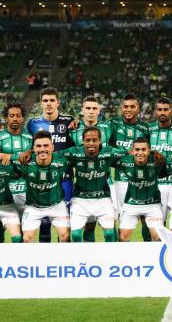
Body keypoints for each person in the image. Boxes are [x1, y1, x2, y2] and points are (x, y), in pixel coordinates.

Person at [26, 87, 75, 242]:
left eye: (52, 100)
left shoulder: (69, 122)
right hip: (40, 179)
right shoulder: (32, 124)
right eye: (45, 100)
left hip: (64, 178)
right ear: (41, 103)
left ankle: (62, 260)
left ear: (57, 103)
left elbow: (75, 147)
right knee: (44, 223)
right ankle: (43, 260)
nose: (48, 103)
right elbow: (29, 148)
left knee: (64, 224)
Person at [61, 127, 126, 242]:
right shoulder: (73, 152)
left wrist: (152, 152)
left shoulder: (109, 153)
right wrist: (30, 152)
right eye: (88, 140)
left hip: (103, 199)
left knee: (110, 233)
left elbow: (131, 152)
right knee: (75, 235)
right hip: (80, 200)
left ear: (100, 141)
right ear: (83, 141)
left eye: (94, 140)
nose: (91, 143)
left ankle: (111, 259)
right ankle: (80, 259)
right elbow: (50, 153)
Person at [106, 93, 151, 240]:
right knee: (123, 219)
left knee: (146, 219)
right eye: (125, 106)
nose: (128, 109)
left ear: (138, 108)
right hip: (121, 180)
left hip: (142, 180)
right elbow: (106, 146)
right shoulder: (113, 124)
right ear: (121, 108)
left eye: (132, 106)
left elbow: (149, 152)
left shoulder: (145, 128)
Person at [14, 131, 71, 243]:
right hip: (33, 207)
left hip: (57, 205)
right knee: (27, 238)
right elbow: (3, 156)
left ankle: (65, 260)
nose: (42, 149)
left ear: (52, 147)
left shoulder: (62, 159)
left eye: (46, 146)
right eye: (38, 146)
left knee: (65, 236)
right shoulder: (25, 161)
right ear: (33, 148)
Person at [69, 95, 110, 242]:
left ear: (99, 111)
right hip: (82, 185)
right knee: (86, 224)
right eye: (88, 108)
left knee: (107, 225)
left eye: (94, 108)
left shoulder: (108, 128)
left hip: (105, 184)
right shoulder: (73, 130)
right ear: (82, 110)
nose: (91, 111)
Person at [0, 102, 33, 243]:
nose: (15, 119)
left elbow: (38, 154)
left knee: (21, 227)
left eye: (18, 116)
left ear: (23, 118)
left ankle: (20, 260)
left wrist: (12, 156)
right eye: (11, 116)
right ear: (6, 118)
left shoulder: (30, 137)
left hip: (24, 186)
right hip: (3, 187)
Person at [116, 137, 167, 242]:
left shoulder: (158, 160)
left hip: (153, 204)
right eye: (137, 149)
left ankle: (155, 258)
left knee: (158, 237)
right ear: (132, 151)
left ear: (149, 151)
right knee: (122, 237)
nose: (140, 153)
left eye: (143, 149)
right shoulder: (124, 161)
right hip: (131, 203)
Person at [149, 97, 172, 219]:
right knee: (155, 224)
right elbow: (141, 148)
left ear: (171, 111)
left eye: (165, 109)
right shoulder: (148, 129)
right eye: (160, 109)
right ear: (156, 111)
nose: (162, 112)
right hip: (155, 183)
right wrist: (153, 151)